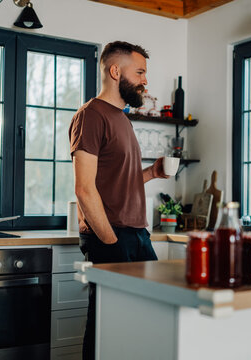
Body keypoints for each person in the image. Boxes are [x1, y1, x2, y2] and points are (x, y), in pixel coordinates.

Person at [68, 41, 168, 360]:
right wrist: (109, 241)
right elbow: (84, 188)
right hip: (113, 236)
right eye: (139, 72)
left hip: (137, 234)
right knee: (106, 320)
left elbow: (118, 180)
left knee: (147, 315)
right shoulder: (91, 115)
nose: (145, 80)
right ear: (115, 71)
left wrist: (151, 172)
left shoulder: (122, 117)